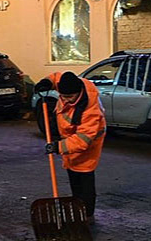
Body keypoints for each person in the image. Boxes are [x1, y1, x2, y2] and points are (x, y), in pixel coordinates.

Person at [34, 71, 107, 225]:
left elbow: (82, 140)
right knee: (72, 171)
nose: (65, 100)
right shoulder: (72, 83)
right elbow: (56, 77)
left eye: (69, 97)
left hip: (89, 142)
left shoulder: (90, 110)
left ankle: (87, 214)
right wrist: (46, 82)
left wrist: (57, 146)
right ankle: (76, 205)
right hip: (69, 138)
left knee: (84, 174)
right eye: (63, 96)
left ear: (78, 92)